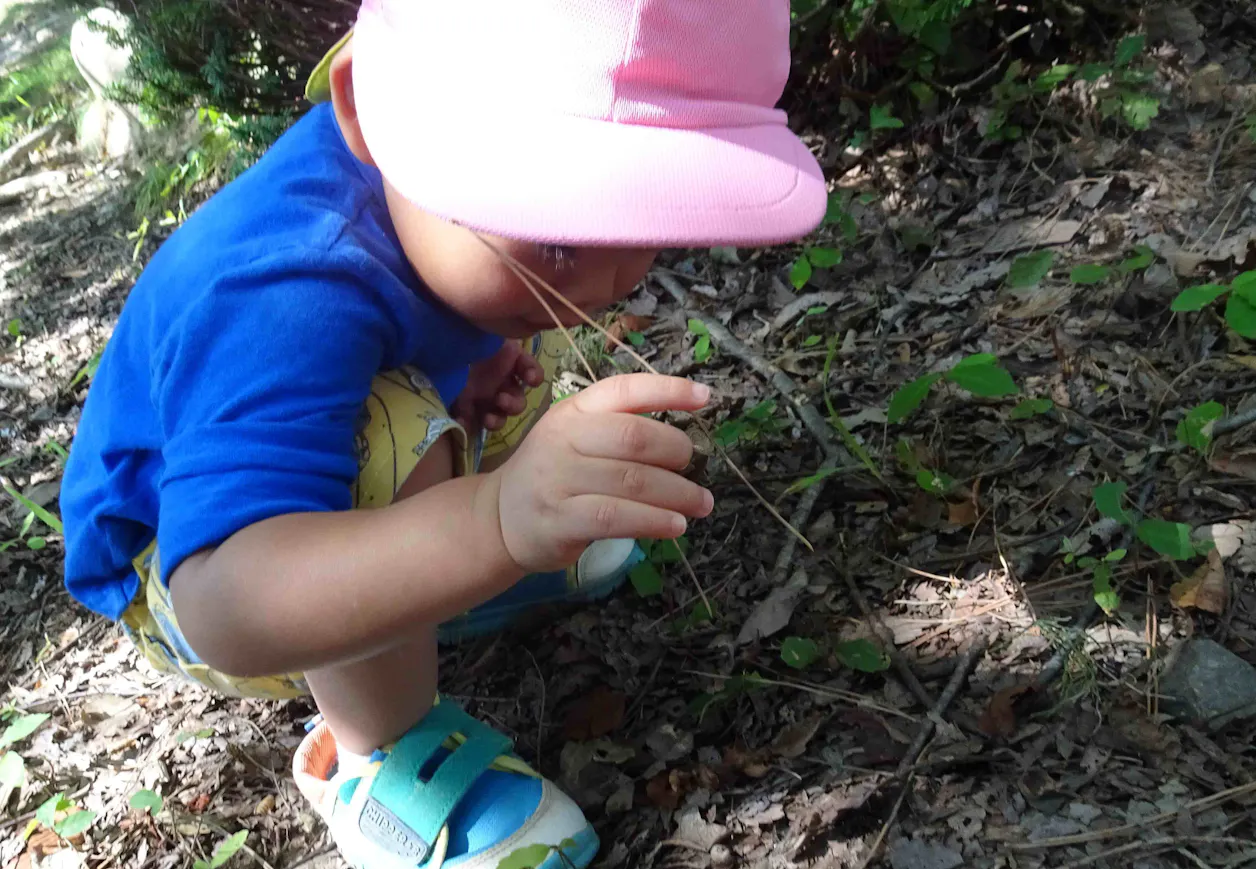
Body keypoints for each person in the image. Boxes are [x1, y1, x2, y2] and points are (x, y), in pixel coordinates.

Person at [59, 1, 826, 866]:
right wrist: (494, 521)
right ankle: (382, 753)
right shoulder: (282, 293)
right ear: (367, 113)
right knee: (388, 421)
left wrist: (482, 363)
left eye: (644, 223)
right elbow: (224, 600)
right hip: (193, 564)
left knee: (488, 358)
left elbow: (434, 296)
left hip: (271, 530)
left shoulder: (426, 198)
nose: (613, 278)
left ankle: (455, 572)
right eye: (557, 238)